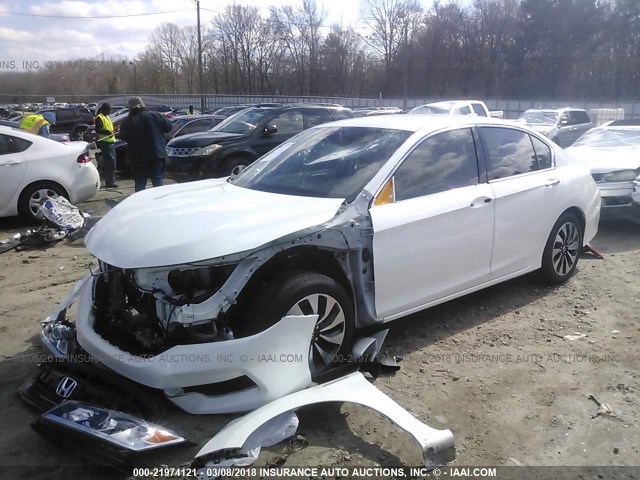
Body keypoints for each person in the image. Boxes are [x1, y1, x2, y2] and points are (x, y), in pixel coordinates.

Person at [119, 97, 172, 192]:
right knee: (158, 180)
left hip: (138, 157)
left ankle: (141, 204)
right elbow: (168, 127)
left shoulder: (127, 121)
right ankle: (160, 201)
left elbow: (123, 136)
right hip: (157, 154)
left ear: (130, 108)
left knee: (140, 183)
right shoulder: (155, 116)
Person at [95, 103, 118, 188]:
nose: (110, 111)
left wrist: (114, 130)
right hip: (105, 142)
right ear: (105, 109)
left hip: (111, 141)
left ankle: (111, 180)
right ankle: (109, 182)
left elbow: (109, 127)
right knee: (110, 163)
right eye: (109, 110)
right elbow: (98, 129)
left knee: (113, 163)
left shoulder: (107, 117)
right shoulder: (100, 117)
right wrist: (107, 132)